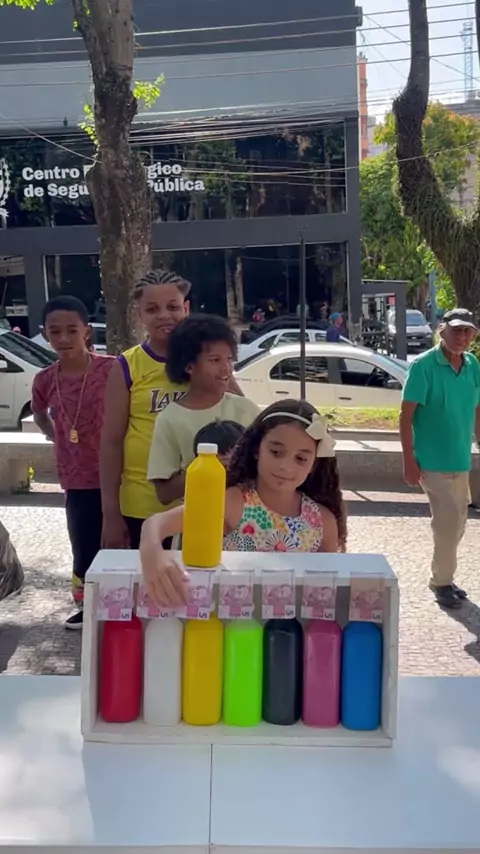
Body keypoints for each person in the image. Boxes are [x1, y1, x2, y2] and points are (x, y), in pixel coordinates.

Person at [140, 399, 348, 608]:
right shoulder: (234, 502)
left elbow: (327, 591)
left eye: (301, 458)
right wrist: (153, 554)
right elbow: (155, 524)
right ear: (257, 449)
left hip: (293, 626)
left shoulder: (323, 521)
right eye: (276, 452)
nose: (285, 466)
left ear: (314, 464)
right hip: (231, 623)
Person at [100, 269, 244, 551]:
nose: (164, 315)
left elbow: (243, 420)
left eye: (173, 307)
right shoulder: (127, 366)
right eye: (152, 309)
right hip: (143, 505)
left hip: (207, 503)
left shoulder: (209, 361)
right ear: (139, 314)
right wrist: (110, 514)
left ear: (186, 308)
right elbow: (111, 443)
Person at [31, 296, 114, 629]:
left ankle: (127, 603)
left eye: (71, 330)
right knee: (84, 542)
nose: (64, 338)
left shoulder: (112, 369)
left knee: (122, 539)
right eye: (55, 332)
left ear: (86, 331)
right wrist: (58, 438)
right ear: (44, 334)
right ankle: (87, 606)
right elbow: (39, 414)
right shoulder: (44, 379)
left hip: (118, 471)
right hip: (77, 477)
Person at [400, 308, 480, 609]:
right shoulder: (423, 366)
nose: (462, 336)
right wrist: (408, 460)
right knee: (448, 523)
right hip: (431, 462)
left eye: (468, 331)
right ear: (441, 330)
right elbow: (405, 416)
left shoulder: (472, 365)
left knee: (457, 524)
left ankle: (443, 576)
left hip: (460, 459)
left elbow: (477, 408)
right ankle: (442, 582)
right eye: (457, 330)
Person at [147, 314, 259, 506]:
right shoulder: (170, 419)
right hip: (199, 518)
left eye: (229, 359)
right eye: (215, 360)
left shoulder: (246, 409)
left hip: (249, 520)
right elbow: (164, 493)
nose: (226, 368)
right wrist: (206, 468)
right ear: (189, 366)